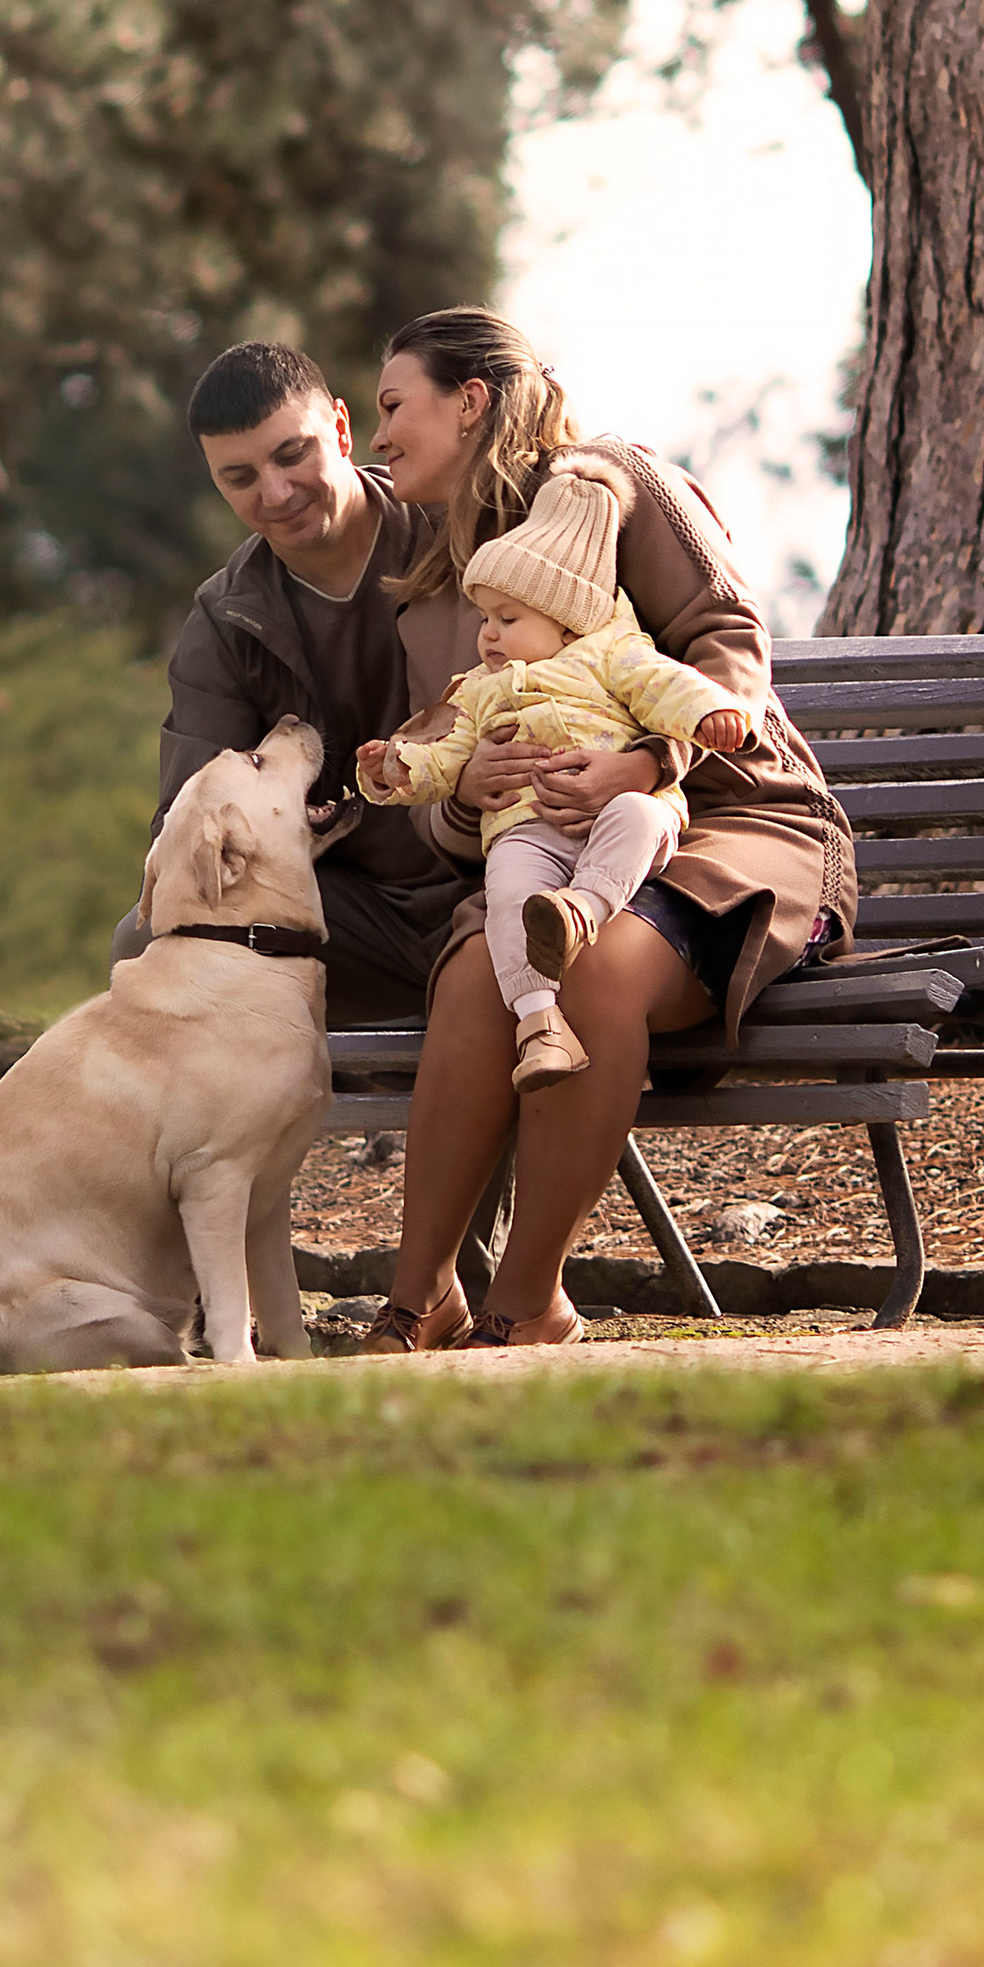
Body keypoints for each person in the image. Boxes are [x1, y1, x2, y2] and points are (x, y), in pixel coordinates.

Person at [357, 308, 858, 1354]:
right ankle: (420, 1298)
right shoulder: (441, 589)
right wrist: (464, 794)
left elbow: (728, 645)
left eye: (393, 405)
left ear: (472, 399)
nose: (378, 435)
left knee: (596, 969)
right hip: (550, 853)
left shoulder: (613, 480)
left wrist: (648, 760)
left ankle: (527, 1301)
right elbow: (452, 777)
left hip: (730, 821)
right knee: (472, 978)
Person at [111, 338, 478, 1027]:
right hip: (351, 921)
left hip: (506, 880)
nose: (275, 494)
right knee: (144, 942)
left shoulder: (460, 530)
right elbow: (189, 827)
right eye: (239, 477)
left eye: (291, 454)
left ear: (340, 428)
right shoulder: (225, 621)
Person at [356, 461, 747, 1090]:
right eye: (485, 618)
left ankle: (580, 910)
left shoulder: (613, 656)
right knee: (508, 887)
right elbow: (443, 751)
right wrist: (396, 769)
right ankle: (541, 1028)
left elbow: (667, 687)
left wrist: (714, 713)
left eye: (507, 619)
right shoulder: (481, 691)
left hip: (610, 820)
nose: (488, 635)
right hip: (529, 829)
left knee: (641, 815)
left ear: (565, 620)